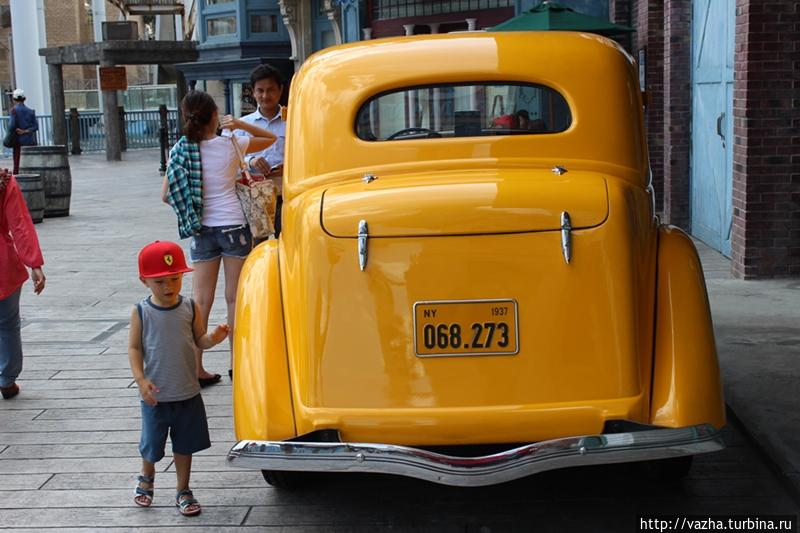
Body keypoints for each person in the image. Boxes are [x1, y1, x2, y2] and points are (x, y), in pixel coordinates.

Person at [163, 91, 276, 385]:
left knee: (200, 300)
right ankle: (236, 364)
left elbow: (166, 194)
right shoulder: (231, 143)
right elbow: (269, 138)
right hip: (233, 226)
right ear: (214, 116)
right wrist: (239, 123)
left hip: (201, 228)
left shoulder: (180, 150)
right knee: (234, 298)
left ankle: (196, 367)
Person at [128, 240, 229, 516]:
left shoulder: (190, 307)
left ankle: (183, 488)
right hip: (155, 396)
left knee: (185, 445)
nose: (169, 286)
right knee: (152, 443)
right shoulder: (141, 312)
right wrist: (140, 380)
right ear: (144, 281)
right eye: (160, 281)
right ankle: (146, 476)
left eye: (175, 278)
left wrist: (214, 338)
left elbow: (200, 339)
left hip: (187, 392)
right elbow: (134, 348)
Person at [0, 170, 45, 400]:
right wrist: (34, 263)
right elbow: (19, 224)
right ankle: (7, 379)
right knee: (7, 324)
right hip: (3, 266)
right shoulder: (4, 181)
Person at [236, 64, 287, 238]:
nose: (265, 96)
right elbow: (232, 160)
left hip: (285, 194)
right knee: (258, 244)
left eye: (271, 90)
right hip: (255, 196)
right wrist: (252, 161)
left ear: (280, 90)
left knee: (286, 240)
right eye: (260, 90)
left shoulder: (294, 120)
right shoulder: (242, 125)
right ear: (253, 92)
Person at [8, 89, 39, 174]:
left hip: (17, 141)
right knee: (30, 162)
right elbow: (36, 126)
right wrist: (25, 131)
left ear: (14, 99)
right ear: (25, 98)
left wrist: (17, 130)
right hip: (29, 140)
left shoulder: (13, 111)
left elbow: (11, 126)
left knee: (17, 163)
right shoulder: (30, 111)